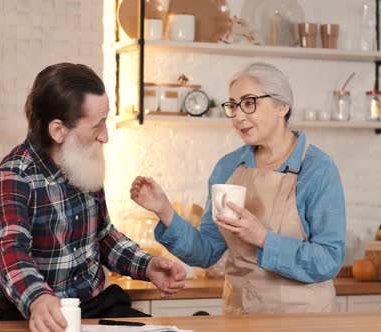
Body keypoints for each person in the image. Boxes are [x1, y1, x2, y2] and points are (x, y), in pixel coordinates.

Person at [130, 62, 346, 315]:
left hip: (303, 320)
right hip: (240, 316)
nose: (239, 116)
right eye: (233, 106)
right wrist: (165, 211)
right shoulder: (228, 167)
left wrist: (263, 239)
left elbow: (329, 259)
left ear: (282, 106)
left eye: (249, 103)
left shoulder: (317, 169)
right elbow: (207, 252)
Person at [0, 63, 186, 331]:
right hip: (35, 312)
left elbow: (102, 237)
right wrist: (38, 298)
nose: (105, 136)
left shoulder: (83, 162)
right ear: (58, 130)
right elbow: (9, 250)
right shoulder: (14, 177)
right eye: (97, 125)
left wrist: (147, 265)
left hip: (92, 307)